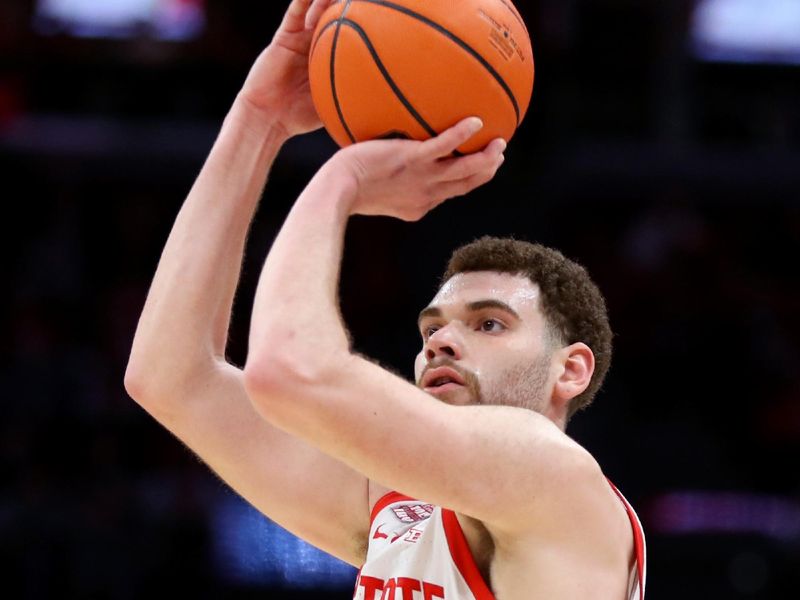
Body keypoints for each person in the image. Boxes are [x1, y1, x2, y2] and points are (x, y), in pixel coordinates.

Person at [124, 1, 646, 598]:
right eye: (432, 329)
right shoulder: (396, 515)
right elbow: (168, 377)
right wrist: (258, 120)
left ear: (571, 369)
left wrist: (341, 182)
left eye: (490, 325)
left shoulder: (557, 477)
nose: (443, 340)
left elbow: (288, 372)